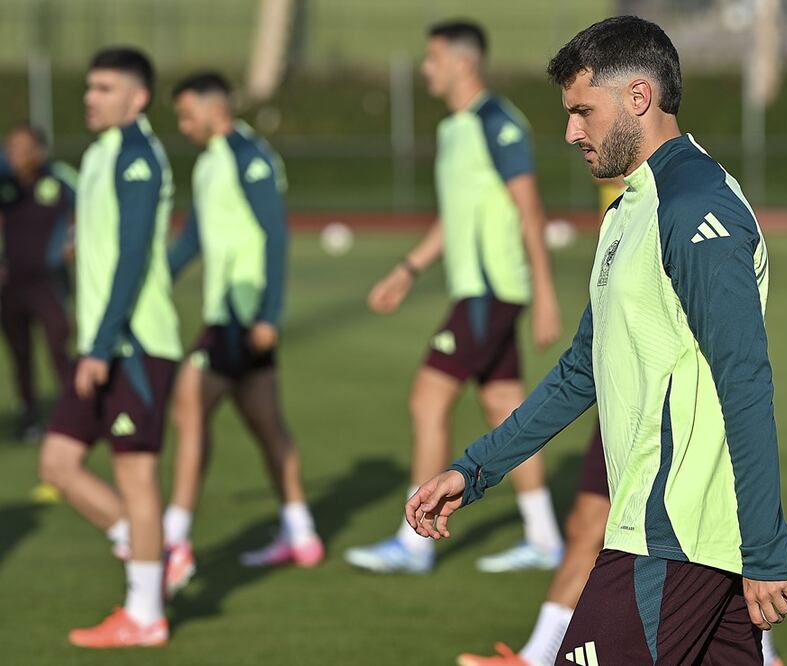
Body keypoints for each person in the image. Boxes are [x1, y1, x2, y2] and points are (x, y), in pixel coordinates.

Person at [408, 16, 787, 664]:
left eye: (583, 111)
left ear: (638, 98)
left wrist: (763, 550)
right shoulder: (629, 207)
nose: (569, 132)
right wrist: (473, 470)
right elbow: (578, 372)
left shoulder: (694, 207)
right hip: (675, 540)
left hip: (672, 539)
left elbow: (745, 381)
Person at [345, 20, 565, 575]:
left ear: (463, 63)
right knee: (504, 409)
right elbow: (454, 218)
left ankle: (414, 540)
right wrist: (408, 268)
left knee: (427, 399)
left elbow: (529, 210)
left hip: (491, 292)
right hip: (478, 291)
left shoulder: (498, 122)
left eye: (432, 58)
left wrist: (545, 293)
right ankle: (543, 537)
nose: (425, 69)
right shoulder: (453, 130)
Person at [37, 47, 181, 648]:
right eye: (89, 87)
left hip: (134, 345)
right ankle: (149, 549)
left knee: (136, 475)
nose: (90, 97)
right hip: (99, 344)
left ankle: (145, 615)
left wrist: (99, 343)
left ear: (137, 97)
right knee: (58, 465)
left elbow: (132, 256)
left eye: (103, 88)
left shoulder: (139, 156)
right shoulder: (98, 155)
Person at [162, 71, 322, 595]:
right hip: (228, 315)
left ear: (215, 108)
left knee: (189, 405)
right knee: (265, 422)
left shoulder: (247, 155)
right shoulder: (210, 161)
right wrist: (151, 282)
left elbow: (274, 234)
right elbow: (191, 241)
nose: (183, 126)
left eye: (188, 115)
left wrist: (268, 315)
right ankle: (300, 533)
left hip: (241, 313)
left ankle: (174, 541)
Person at [0, 124, 75, 442]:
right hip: (11, 283)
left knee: (59, 345)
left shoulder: (58, 179)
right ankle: (29, 417)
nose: (14, 155)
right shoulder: (5, 184)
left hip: (48, 281)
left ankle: (74, 413)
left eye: (21, 148)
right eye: (10, 148)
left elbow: (91, 207)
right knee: (19, 353)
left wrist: (72, 243)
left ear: (39, 151)